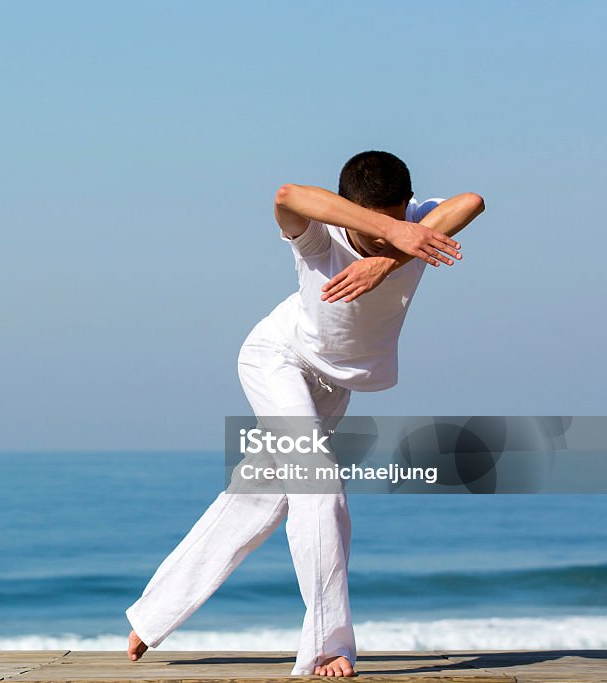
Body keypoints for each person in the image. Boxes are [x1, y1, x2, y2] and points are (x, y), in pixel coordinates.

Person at [124, 151, 485, 677]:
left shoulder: (417, 227)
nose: (383, 237)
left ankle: (151, 616)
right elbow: (287, 195)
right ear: (348, 211)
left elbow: (472, 201)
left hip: (333, 385)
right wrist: (387, 229)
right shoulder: (320, 237)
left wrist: (392, 255)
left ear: (407, 206)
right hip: (278, 361)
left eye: (395, 222)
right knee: (319, 488)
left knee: (257, 498)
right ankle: (327, 645)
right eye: (374, 227)